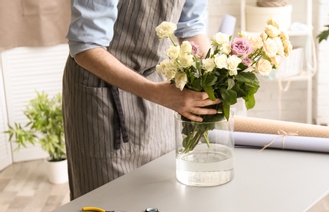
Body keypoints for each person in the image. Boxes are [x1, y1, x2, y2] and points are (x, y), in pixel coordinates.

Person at [63, 0, 220, 200]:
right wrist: (158, 93)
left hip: (160, 93)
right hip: (103, 99)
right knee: (108, 204)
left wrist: (218, 75)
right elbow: (86, 47)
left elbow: (191, 27)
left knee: (161, 198)